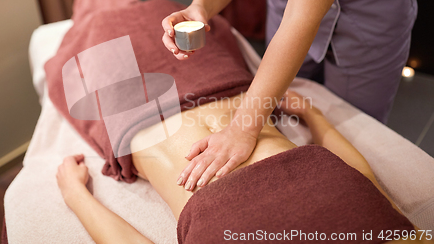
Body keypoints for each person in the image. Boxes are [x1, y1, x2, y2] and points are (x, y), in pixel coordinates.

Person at [161, 0, 417, 190]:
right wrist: (201, 6)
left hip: (366, 7)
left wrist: (242, 129)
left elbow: (301, 18)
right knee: (284, 108)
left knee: (349, 129)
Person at [56, 90, 427, 243]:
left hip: (134, 117)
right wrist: (312, 116)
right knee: (166, 13)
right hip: (230, 87)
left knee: (94, 2)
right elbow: (362, 182)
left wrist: (75, 194)